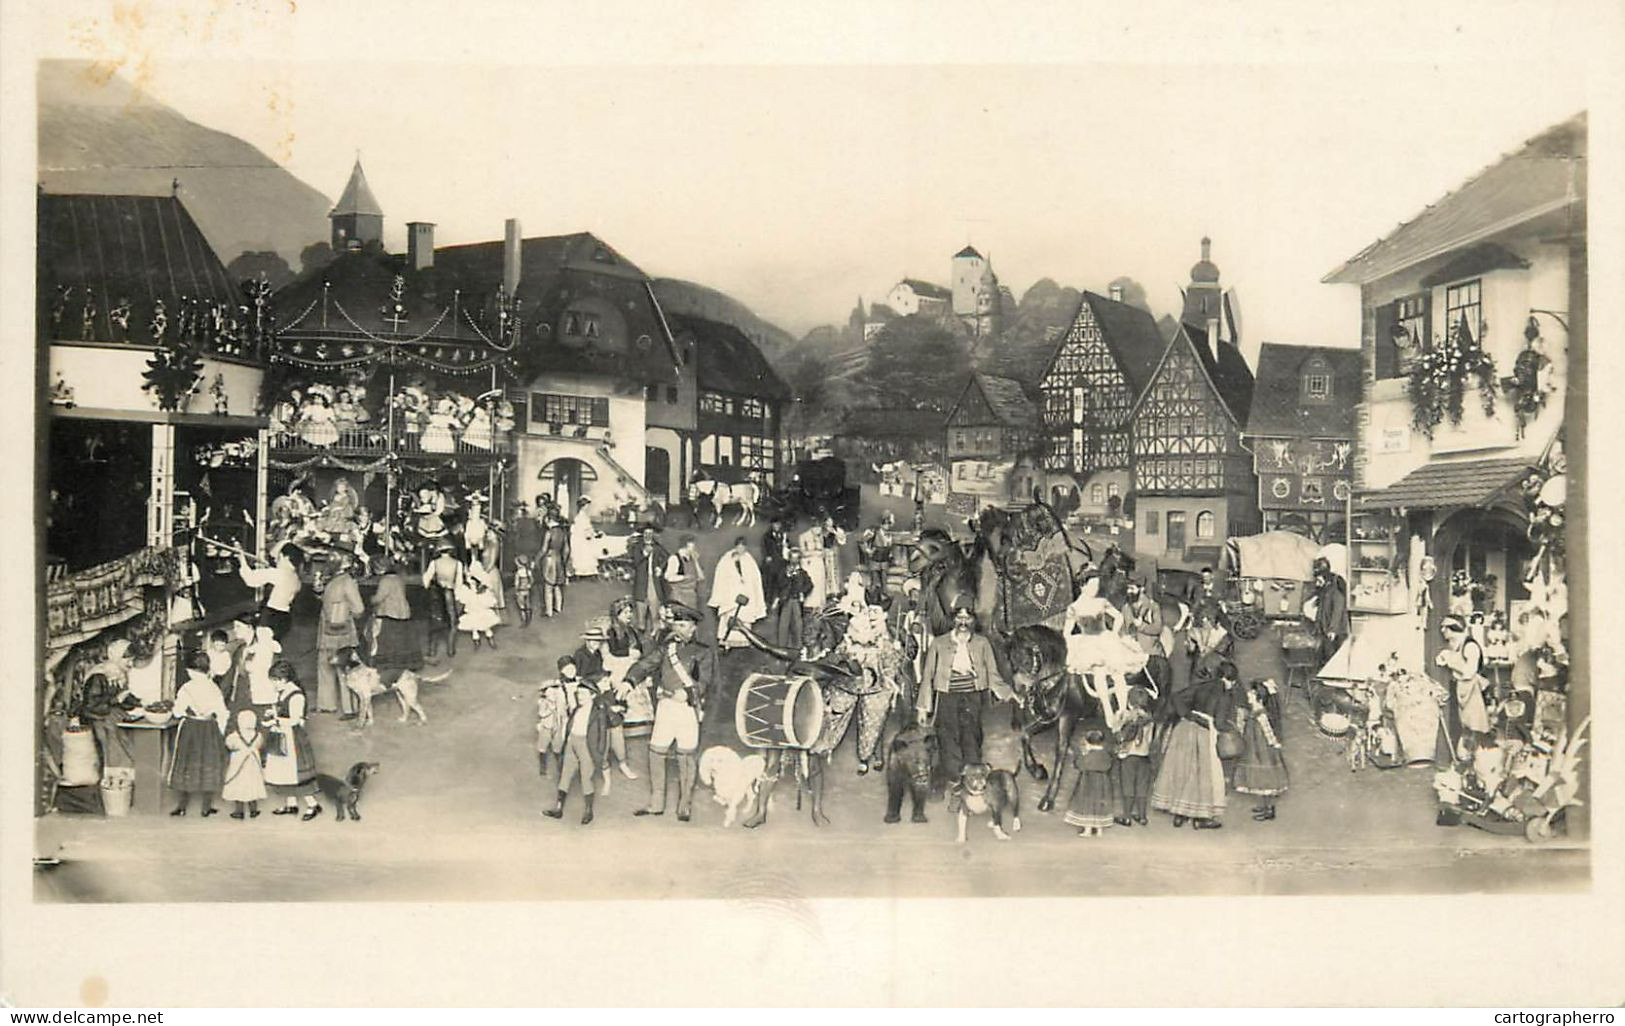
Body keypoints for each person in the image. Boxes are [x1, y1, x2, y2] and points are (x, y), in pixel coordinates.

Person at [625, 603, 711, 821]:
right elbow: (646, 664)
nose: (678, 629)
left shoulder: (703, 652)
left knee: (686, 755)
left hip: (687, 709)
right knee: (656, 752)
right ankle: (656, 803)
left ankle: (685, 805)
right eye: (676, 624)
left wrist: (690, 693)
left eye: (682, 625)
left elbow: (707, 681)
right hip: (666, 707)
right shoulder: (667, 648)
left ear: (693, 627)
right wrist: (629, 681)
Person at [917, 605, 1005, 780]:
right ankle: (954, 780)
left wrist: (1011, 694)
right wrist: (922, 707)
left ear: (973, 621)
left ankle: (972, 779)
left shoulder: (982, 643)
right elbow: (928, 676)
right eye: (959, 618)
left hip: (973, 695)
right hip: (947, 695)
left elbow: (993, 675)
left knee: (972, 735)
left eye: (967, 618)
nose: (963, 622)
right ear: (953, 620)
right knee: (947, 737)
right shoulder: (939, 643)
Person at [1150, 658, 1237, 830]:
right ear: (1229, 680)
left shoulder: (1202, 686)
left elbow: (1176, 697)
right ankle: (1201, 817)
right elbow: (1219, 723)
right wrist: (1233, 728)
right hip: (1204, 733)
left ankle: (1179, 815)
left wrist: (1188, 714)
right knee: (1203, 775)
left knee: (1181, 769)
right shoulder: (1225, 696)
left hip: (1184, 730)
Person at [167, 650, 230, 817]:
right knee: (209, 764)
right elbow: (222, 712)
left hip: (191, 729)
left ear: (191, 670)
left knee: (186, 764)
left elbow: (178, 711)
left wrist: (183, 712)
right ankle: (206, 807)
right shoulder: (213, 687)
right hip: (210, 729)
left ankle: (181, 806)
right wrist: (221, 732)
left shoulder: (187, 688)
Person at [545, 661, 607, 826]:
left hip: (586, 745)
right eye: (579, 694)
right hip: (572, 742)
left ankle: (588, 810)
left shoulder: (598, 712)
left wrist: (599, 755)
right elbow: (569, 726)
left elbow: (602, 736)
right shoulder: (577, 709)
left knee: (586, 777)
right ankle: (558, 808)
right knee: (565, 774)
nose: (580, 697)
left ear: (593, 695)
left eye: (584, 694)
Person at [574, 622, 637, 780]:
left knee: (615, 722)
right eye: (593, 641)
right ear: (587, 641)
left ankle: (622, 762)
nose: (596, 645)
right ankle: (602, 764)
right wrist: (596, 686)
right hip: (589, 691)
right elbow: (579, 679)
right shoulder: (580, 655)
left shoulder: (597, 654)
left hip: (601, 688)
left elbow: (601, 669)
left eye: (598, 642)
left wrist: (606, 679)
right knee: (599, 730)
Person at [263, 660, 322, 820]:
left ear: (284, 679)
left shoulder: (296, 696)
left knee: (296, 773)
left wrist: (275, 720)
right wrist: (273, 713)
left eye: (275, 681)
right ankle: (291, 804)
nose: (273, 685)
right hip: (282, 735)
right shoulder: (284, 692)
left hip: (292, 738)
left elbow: (295, 720)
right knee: (284, 773)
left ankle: (313, 805)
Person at [1436, 614, 1492, 762]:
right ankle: (1467, 756)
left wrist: (1450, 661)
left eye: (1445, 627)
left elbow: (1469, 672)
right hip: (1462, 688)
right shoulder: (1455, 645)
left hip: (1472, 689)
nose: (1442, 631)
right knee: (1465, 725)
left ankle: (1477, 757)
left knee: (1475, 724)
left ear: (1454, 628)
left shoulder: (1470, 646)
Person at [1233, 678, 1289, 822]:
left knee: (1267, 779)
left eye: (1251, 693)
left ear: (1259, 697)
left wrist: (1274, 745)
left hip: (1263, 751)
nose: (1249, 696)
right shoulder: (1255, 712)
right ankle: (1265, 806)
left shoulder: (1261, 715)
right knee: (1260, 780)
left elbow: (1269, 733)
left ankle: (1270, 809)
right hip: (1254, 749)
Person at [316, 554, 365, 716]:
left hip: (338, 631)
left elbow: (359, 609)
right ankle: (326, 704)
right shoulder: (335, 579)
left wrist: (343, 610)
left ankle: (349, 708)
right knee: (326, 665)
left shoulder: (347, 582)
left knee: (342, 668)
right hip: (331, 629)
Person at [237, 543, 305, 642]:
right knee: (273, 648)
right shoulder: (296, 578)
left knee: (263, 648)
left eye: (278, 557)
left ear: (284, 557)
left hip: (270, 617)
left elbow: (250, 579)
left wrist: (242, 560)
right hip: (285, 618)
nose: (276, 560)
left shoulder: (279, 573)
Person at [708, 536, 767, 649]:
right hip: (730, 594)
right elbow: (721, 577)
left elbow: (755, 578)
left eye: (743, 547)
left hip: (746, 594)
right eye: (739, 547)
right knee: (729, 617)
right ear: (735, 547)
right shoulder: (726, 559)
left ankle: (744, 640)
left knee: (744, 617)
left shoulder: (749, 560)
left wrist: (748, 586)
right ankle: (726, 641)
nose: (741, 550)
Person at [369, 555, 424, 675]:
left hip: (390, 613)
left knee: (387, 640)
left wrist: (371, 599)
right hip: (403, 612)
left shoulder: (385, 581)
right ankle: (404, 663)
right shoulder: (399, 578)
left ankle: (389, 664)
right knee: (402, 640)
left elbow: (379, 598)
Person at [1065, 726, 1116, 837]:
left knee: (1087, 804)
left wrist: (1079, 755)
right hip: (1103, 782)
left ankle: (1087, 830)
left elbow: (1080, 765)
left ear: (1089, 742)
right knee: (1100, 804)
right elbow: (1109, 765)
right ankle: (1099, 830)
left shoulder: (1089, 755)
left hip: (1088, 782)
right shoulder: (1105, 754)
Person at [422, 542, 465, 657]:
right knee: (453, 622)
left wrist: (427, 586)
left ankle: (432, 650)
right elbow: (459, 582)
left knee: (435, 620)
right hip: (450, 592)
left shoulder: (434, 563)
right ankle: (451, 649)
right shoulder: (457, 563)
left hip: (436, 592)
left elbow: (426, 578)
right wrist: (458, 595)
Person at [222, 708, 268, 820]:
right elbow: (260, 745)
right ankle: (253, 810)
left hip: (239, 763)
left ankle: (239, 811)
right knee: (253, 785)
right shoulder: (258, 735)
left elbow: (229, 745)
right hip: (253, 765)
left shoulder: (234, 736)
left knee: (239, 785)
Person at [1310, 556, 1351, 665]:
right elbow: (1322, 609)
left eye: (1319, 580)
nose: (1317, 583)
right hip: (1325, 629)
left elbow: (1337, 610)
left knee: (1334, 659)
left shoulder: (1336, 588)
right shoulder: (1325, 589)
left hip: (1335, 631)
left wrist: (1333, 630)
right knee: (1325, 656)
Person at [629, 527, 669, 632]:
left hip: (653, 581)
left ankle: (655, 632)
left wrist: (660, 567)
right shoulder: (637, 547)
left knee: (655, 606)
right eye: (646, 533)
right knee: (641, 609)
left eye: (650, 533)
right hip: (641, 582)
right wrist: (645, 554)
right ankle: (640, 632)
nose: (648, 535)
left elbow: (666, 557)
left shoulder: (657, 547)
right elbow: (635, 563)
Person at [774, 551, 814, 651]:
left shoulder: (802, 573)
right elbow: (779, 584)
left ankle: (798, 647)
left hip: (796, 600)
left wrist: (802, 592)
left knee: (798, 624)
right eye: (793, 558)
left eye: (797, 558)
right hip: (786, 600)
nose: (794, 561)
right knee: (784, 624)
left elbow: (809, 585)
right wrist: (788, 576)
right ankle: (781, 647)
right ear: (789, 559)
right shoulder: (783, 572)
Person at [536, 668, 571, 778]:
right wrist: (550, 709)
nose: (553, 694)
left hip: (557, 726)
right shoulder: (543, 702)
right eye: (550, 691)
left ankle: (560, 767)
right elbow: (541, 714)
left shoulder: (559, 700)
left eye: (555, 691)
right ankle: (543, 767)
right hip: (546, 727)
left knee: (557, 747)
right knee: (543, 747)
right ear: (545, 693)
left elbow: (564, 712)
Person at [456, 570, 500, 649]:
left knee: (486, 626)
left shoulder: (483, 591)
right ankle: (476, 642)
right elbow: (462, 599)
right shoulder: (466, 591)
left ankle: (491, 640)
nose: (471, 583)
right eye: (468, 580)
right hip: (472, 612)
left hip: (481, 611)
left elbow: (490, 600)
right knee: (474, 627)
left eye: (473, 581)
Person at [540, 513, 571, 617]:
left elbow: (544, 549)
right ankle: (558, 607)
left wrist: (536, 559)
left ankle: (549, 611)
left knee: (548, 587)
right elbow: (567, 549)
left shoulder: (549, 532)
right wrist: (564, 561)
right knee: (557, 586)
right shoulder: (563, 532)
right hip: (559, 558)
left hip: (549, 559)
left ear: (549, 520)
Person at [663, 535, 704, 611]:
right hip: (678, 598)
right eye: (693, 546)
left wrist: (696, 561)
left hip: (691, 599)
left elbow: (701, 577)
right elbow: (668, 577)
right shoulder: (674, 558)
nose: (695, 548)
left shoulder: (692, 560)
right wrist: (684, 577)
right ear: (686, 545)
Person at [760, 517, 791, 613]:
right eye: (774, 524)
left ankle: (778, 603)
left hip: (782, 563)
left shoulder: (784, 535)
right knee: (769, 584)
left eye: (778, 524)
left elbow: (788, 547)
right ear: (771, 525)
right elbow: (764, 548)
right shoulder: (767, 536)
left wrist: (786, 547)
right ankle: (767, 604)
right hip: (772, 564)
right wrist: (767, 556)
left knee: (781, 583)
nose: (776, 526)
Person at [570, 497, 602, 578]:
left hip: (581, 539)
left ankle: (583, 572)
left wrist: (593, 533)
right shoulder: (582, 517)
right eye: (587, 505)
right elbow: (585, 530)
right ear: (584, 506)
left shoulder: (582, 516)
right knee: (584, 555)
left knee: (583, 555)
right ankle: (583, 573)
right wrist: (594, 534)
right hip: (582, 540)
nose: (588, 507)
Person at [512, 554, 537, 628]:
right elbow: (532, 580)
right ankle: (529, 618)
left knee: (521, 606)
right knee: (528, 604)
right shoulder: (528, 571)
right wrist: (529, 585)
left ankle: (524, 620)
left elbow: (516, 583)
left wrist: (516, 590)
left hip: (520, 590)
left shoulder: (518, 573)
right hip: (527, 590)